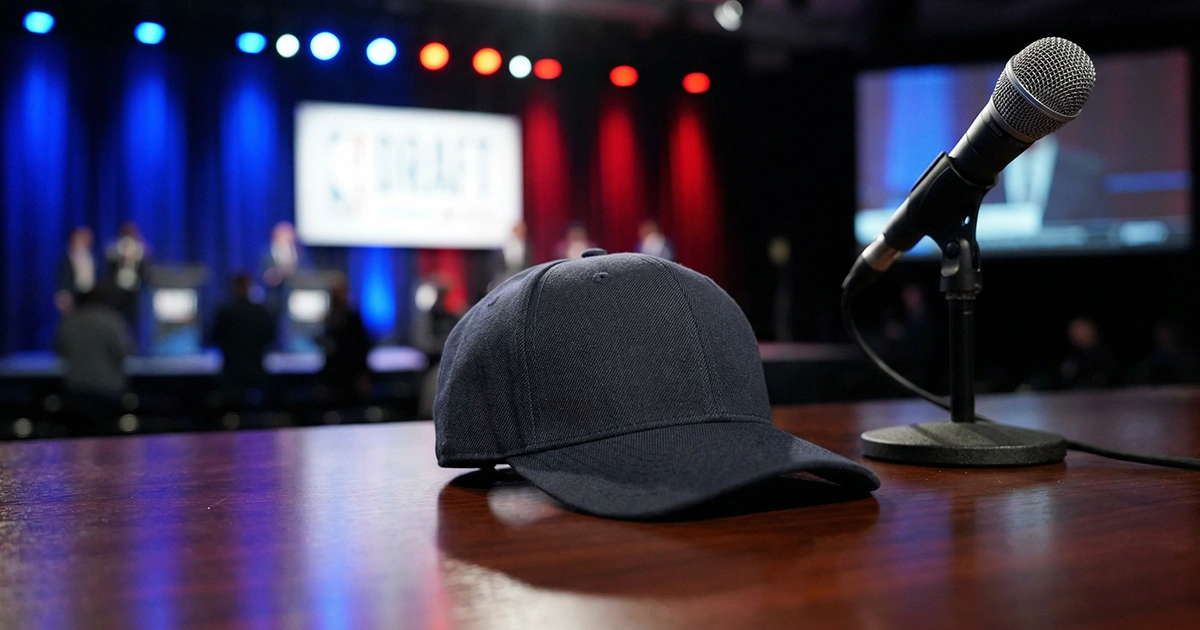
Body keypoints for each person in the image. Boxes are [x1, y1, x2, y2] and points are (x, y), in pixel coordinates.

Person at [53, 287, 131, 431]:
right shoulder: (112, 320)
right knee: (107, 436)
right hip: (108, 390)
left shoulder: (70, 320)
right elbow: (122, 352)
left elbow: (59, 350)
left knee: (78, 435)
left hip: (77, 389)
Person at [211, 273, 277, 403]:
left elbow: (214, 338)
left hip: (231, 374)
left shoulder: (225, 313)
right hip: (257, 373)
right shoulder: (262, 313)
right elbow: (270, 339)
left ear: (234, 288)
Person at [412, 279, 462, 419]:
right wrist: (444, 345)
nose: (441, 298)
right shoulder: (426, 318)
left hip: (451, 368)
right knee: (430, 406)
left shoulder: (453, 316)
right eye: (439, 294)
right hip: (431, 367)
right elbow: (422, 343)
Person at [318, 277, 371, 406]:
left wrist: (362, 376)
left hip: (351, 373)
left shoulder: (353, 318)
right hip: (333, 375)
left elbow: (362, 347)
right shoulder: (330, 318)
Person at [105, 220, 150, 331]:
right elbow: (110, 268)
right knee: (117, 314)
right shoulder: (114, 248)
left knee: (134, 315)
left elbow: (145, 268)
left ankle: (133, 337)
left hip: (135, 287)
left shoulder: (141, 248)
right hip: (117, 286)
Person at [1059, 317, 1119, 390]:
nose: (1078, 334)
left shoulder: (1105, 355)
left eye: (1082, 330)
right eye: (1074, 331)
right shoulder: (1071, 358)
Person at [56, 227, 97, 314]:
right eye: (81, 238)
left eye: (87, 239)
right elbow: (60, 276)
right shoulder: (66, 257)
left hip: (91, 295)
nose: (85, 241)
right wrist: (63, 294)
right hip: (72, 294)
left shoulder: (94, 257)